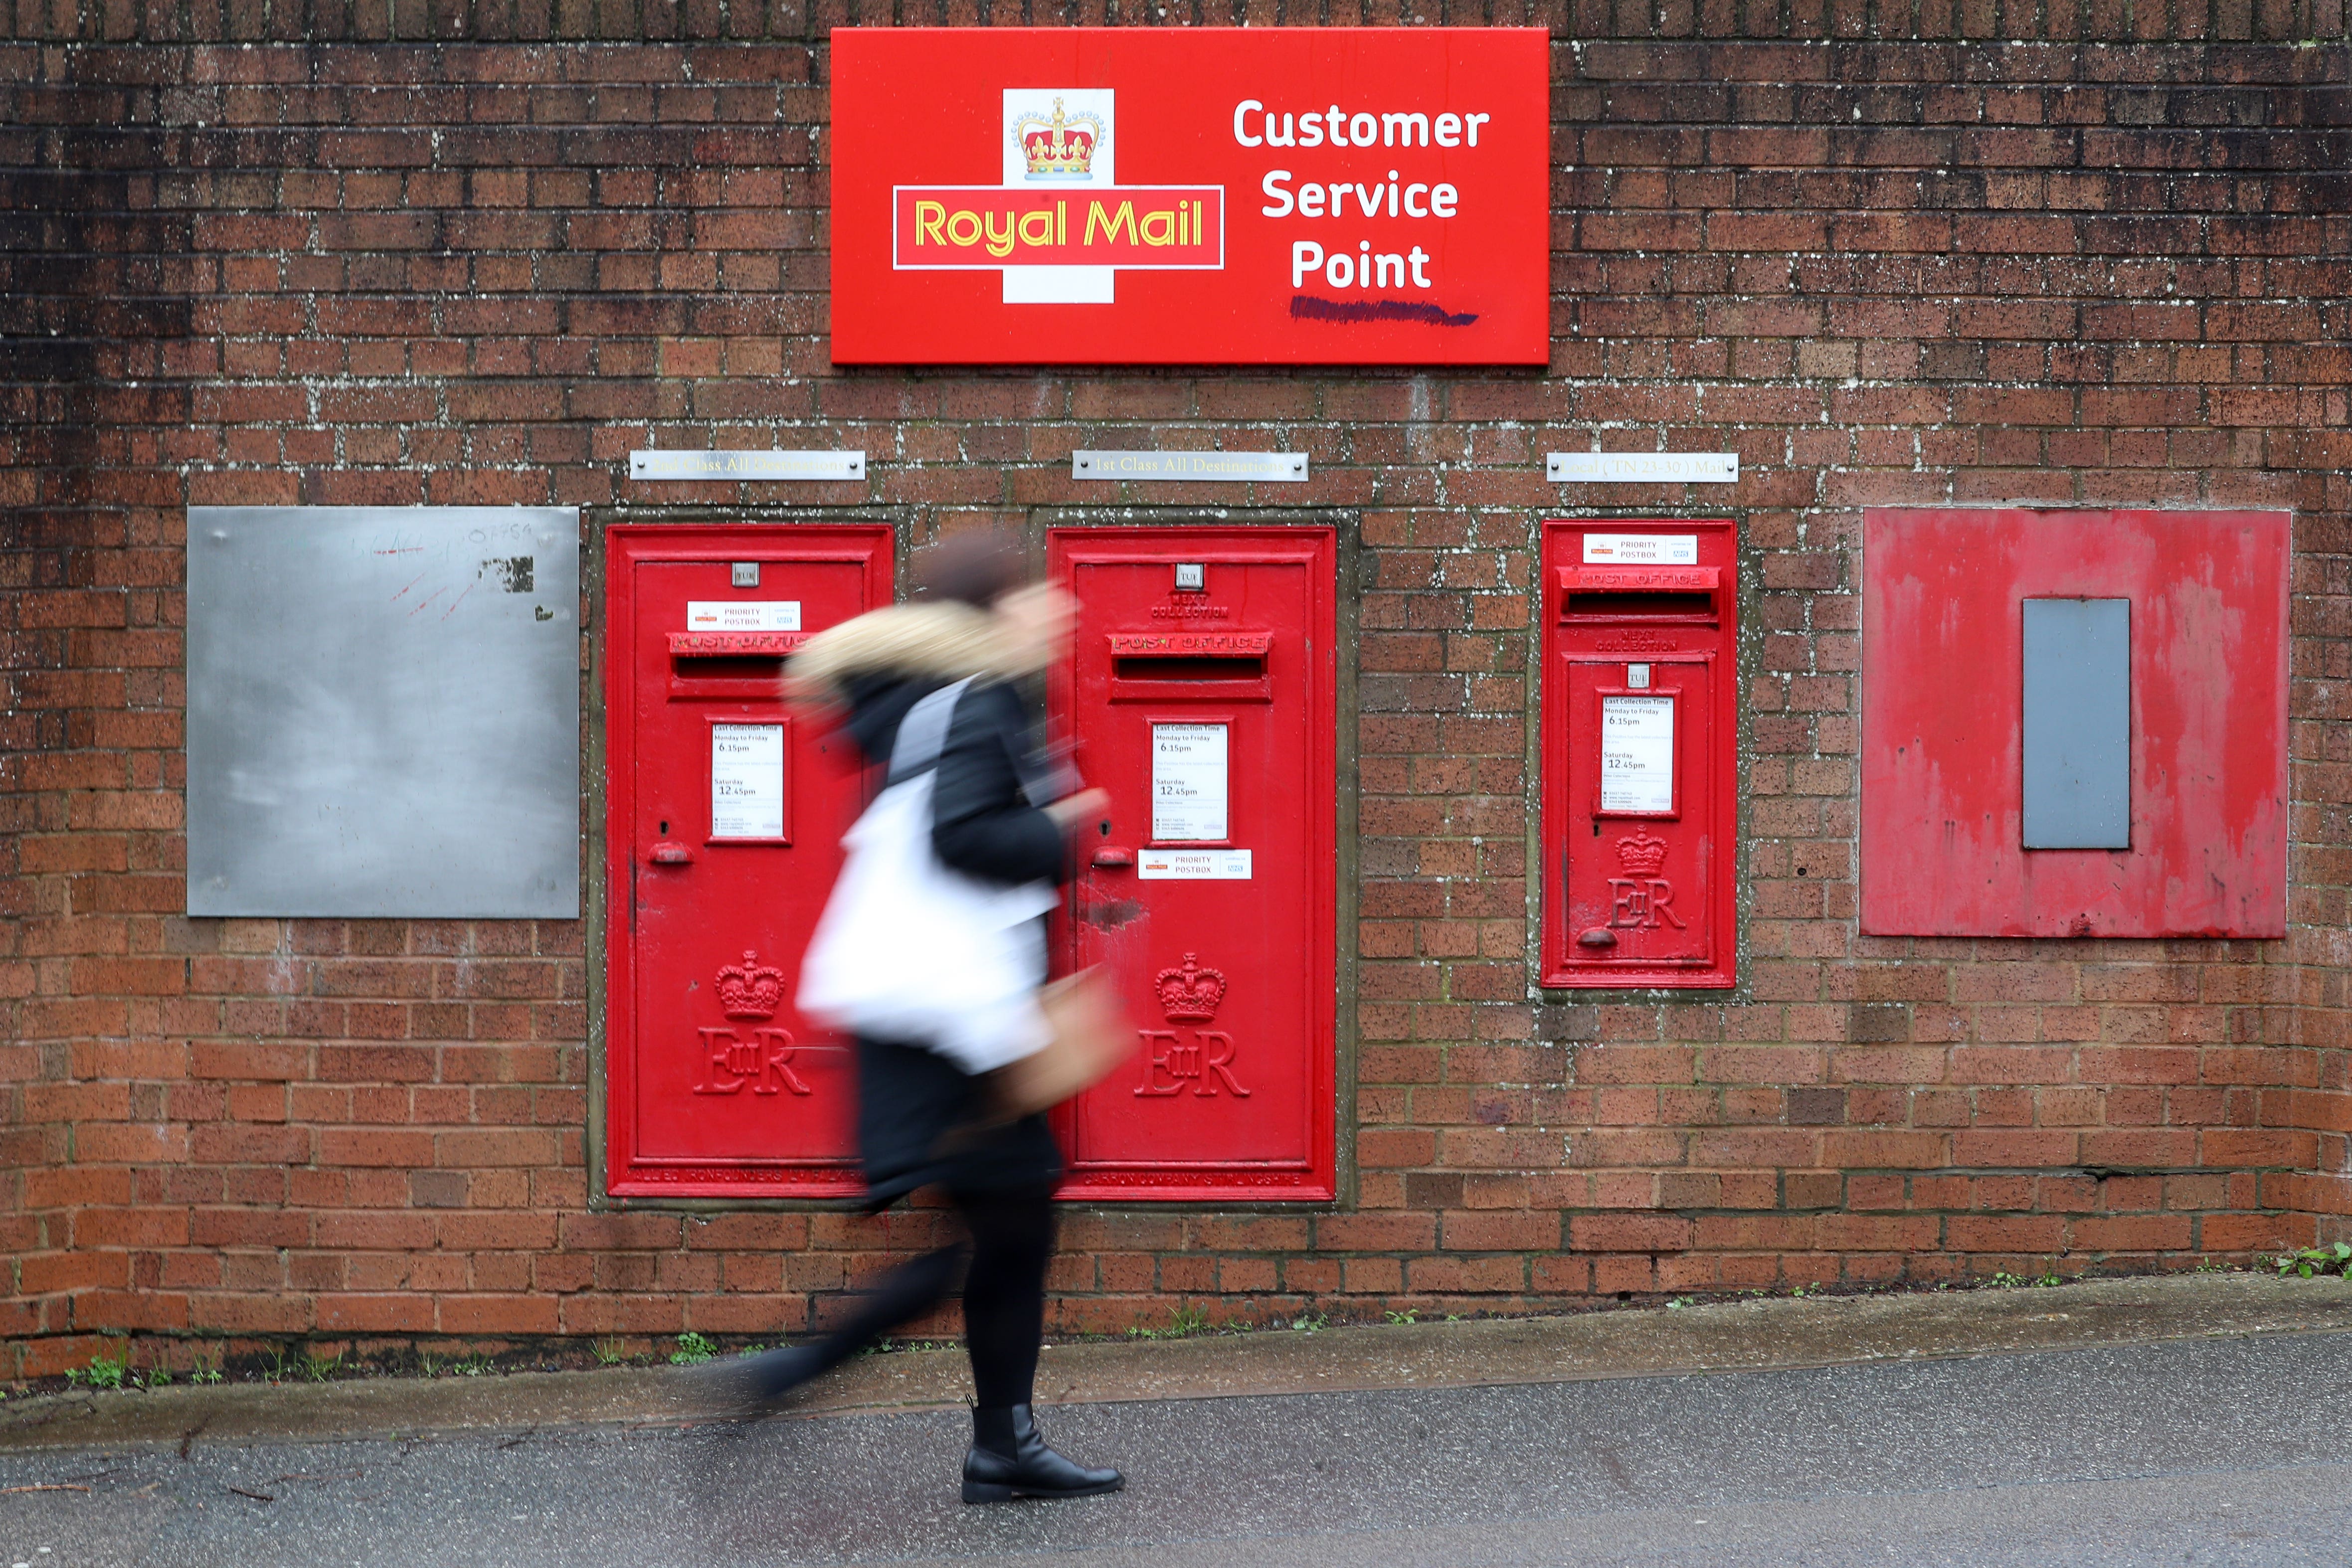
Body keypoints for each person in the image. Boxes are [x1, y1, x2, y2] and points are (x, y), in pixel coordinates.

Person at [723, 528, 1123, 1506]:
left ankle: (997, 1441)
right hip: (955, 1019)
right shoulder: (976, 699)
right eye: (1038, 595)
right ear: (994, 612)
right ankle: (811, 1382)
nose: (1057, 611)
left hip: (928, 1012)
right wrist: (1063, 827)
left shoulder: (923, 704)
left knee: (1002, 1229)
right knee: (998, 1229)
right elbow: (963, 836)